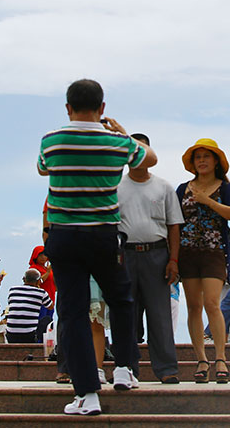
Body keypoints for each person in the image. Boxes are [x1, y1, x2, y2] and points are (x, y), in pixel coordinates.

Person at [38, 78, 157, 416]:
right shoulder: (116, 143)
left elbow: (41, 167)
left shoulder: (51, 140)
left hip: (64, 236)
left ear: (67, 107)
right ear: (102, 108)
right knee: (121, 301)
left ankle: (87, 394)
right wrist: (125, 133)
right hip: (104, 235)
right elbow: (150, 159)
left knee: (73, 312)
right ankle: (124, 368)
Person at [117, 132, 183, 384]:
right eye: (134, 151)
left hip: (158, 255)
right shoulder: (116, 187)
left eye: (143, 150)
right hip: (126, 256)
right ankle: (127, 368)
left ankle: (167, 369)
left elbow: (174, 226)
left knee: (160, 315)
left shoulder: (164, 187)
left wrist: (174, 260)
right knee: (126, 316)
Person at [176, 138, 230, 384]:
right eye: (197, 157)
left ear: (216, 161)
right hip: (187, 252)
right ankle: (201, 359)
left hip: (215, 251)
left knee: (212, 303)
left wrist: (209, 201)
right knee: (193, 306)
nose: (201, 161)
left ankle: (221, 357)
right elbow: (174, 221)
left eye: (206, 156)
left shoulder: (225, 187)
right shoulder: (183, 188)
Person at [5, 269, 53, 344]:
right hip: (29, 336)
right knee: (47, 319)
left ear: (24, 279)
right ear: (38, 281)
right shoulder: (41, 292)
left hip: (11, 335)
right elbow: (50, 307)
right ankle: (40, 344)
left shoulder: (13, 290)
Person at [29, 239, 55, 343]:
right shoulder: (33, 269)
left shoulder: (47, 268)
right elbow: (38, 281)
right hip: (40, 300)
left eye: (45, 255)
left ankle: (46, 341)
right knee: (41, 322)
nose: (44, 257)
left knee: (49, 322)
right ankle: (39, 342)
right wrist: (48, 272)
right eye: (41, 255)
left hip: (51, 298)